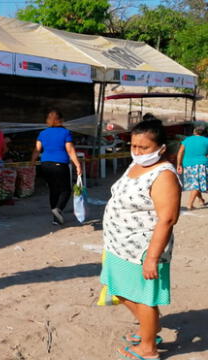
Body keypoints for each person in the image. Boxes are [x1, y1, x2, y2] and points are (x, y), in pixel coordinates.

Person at [100, 119, 181, 360]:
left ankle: (148, 348)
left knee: (141, 296)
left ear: (161, 148)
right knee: (120, 289)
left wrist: (152, 258)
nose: (137, 152)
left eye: (144, 148)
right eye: (134, 146)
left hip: (142, 250)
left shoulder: (163, 174)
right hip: (119, 244)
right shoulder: (134, 165)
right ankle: (150, 328)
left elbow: (168, 218)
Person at [30, 109, 82, 225]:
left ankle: (56, 219)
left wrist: (32, 162)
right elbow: (70, 150)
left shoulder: (43, 133)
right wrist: (78, 165)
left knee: (53, 189)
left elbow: (37, 149)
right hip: (60, 164)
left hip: (45, 164)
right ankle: (58, 209)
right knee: (66, 190)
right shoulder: (65, 133)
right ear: (61, 120)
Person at [176, 124, 208, 209]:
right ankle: (189, 204)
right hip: (202, 164)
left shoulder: (187, 140)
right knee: (196, 185)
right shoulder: (206, 140)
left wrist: (179, 164)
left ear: (194, 132)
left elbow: (180, 153)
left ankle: (201, 200)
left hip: (187, 164)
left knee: (194, 184)